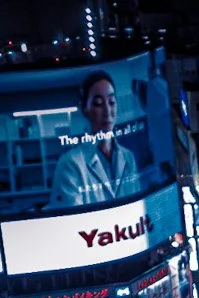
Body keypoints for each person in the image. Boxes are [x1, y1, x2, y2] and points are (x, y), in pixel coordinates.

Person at [52, 70, 142, 208]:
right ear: (85, 108)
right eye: (98, 103)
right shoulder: (69, 164)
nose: (107, 111)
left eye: (111, 102)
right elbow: (71, 217)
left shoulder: (128, 157)